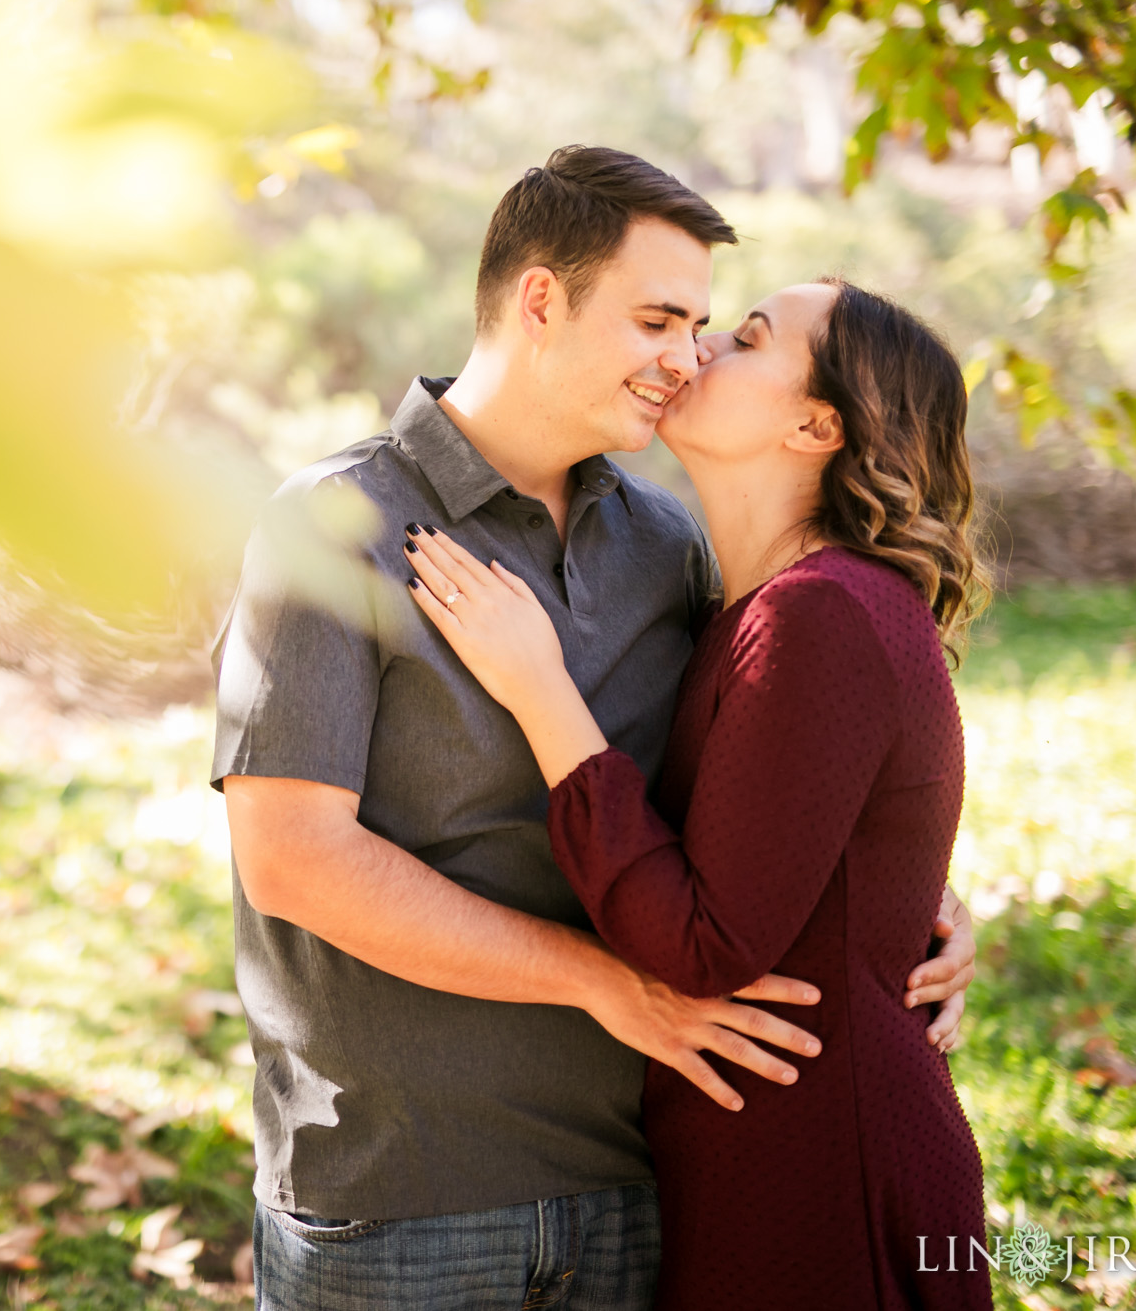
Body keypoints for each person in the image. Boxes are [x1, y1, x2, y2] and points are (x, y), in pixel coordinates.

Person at [211, 145, 978, 1311]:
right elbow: (292, 859)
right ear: (538, 301)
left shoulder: (667, 551)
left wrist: (900, 908)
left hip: (639, 1185)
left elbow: (760, 786)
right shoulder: (335, 524)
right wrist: (600, 985)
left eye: (708, 328)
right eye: (658, 320)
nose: (684, 360)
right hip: (404, 1194)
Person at [400, 278, 993, 1309]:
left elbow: (705, 947)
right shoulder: (766, 604)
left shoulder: (818, 613)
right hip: (767, 1137)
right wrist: (912, 911)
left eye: (748, 338)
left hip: (815, 1171)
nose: (699, 346)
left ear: (815, 424)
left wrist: (539, 694)